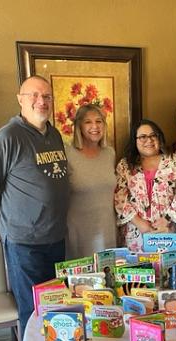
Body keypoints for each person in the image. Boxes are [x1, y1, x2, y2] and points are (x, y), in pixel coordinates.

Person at [0, 75, 68, 337]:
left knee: (56, 306)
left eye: (47, 96)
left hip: (55, 236)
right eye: (34, 95)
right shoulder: (7, 137)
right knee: (32, 311)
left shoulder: (54, 134)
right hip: (24, 242)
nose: (42, 101)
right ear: (20, 100)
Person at [114, 119, 176, 252]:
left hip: (166, 229)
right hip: (135, 230)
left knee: (167, 264)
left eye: (153, 135)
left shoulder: (174, 162)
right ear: (135, 140)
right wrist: (139, 222)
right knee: (136, 265)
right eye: (143, 137)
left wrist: (167, 219)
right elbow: (119, 197)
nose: (149, 140)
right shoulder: (125, 165)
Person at [65, 104, 116, 258]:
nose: (95, 126)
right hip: (78, 234)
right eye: (88, 122)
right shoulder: (67, 153)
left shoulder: (110, 153)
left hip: (107, 230)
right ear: (79, 126)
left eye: (99, 121)